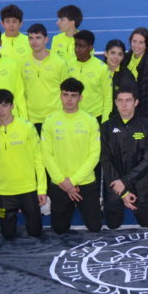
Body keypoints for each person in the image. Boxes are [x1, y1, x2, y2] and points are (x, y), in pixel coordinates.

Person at [0, 88, 46, 239]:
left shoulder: (27, 127)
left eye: (4, 105)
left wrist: (41, 189)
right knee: (7, 235)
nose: (0, 110)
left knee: (36, 232)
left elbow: (39, 159)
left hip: (28, 190)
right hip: (3, 193)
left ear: (12, 106)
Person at [41, 78, 102, 233]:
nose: (69, 99)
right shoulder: (50, 121)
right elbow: (46, 155)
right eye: (65, 94)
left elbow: (94, 156)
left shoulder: (90, 121)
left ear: (80, 98)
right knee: (59, 229)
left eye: (73, 95)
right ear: (60, 96)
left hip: (85, 182)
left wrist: (73, 181)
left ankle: (81, 204)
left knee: (95, 227)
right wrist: (63, 181)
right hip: (60, 183)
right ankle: (68, 205)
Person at [101, 86, 148, 228]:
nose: (124, 104)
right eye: (120, 100)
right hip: (115, 181)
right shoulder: (106, 127)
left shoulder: (147, 126)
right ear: (115, 102)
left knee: (146, 223)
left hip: (140, 181)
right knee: (112, 225)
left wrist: (125, 181)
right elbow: (105, 158)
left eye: (128, 100)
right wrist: (120, 187)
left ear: (136, 102)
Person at [66, 30, 111, 122]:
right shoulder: (67, 65)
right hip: (72, 117)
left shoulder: (102, 68)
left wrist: (105, 122)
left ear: (90, 48)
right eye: (76, 45)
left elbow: (108, 97)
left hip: (95, 117)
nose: (77, 49)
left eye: (81, 46)